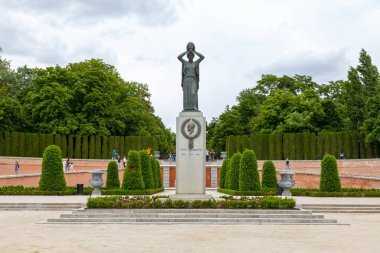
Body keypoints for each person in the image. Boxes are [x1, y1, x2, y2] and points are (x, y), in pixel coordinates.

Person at [177, 42, 205, 111]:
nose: (190, 56)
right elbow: (179, 57)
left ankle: (194, 107)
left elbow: (202, 57)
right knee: (186, 95)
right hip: (186, 80)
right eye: (189, 55)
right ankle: (186, 108)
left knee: (193, 93)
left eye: (192, 55)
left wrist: (194, 51)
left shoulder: (196, 62)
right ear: (187, 56)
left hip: (193, 79)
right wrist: (187, 51)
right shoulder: (185, 62)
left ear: (193, 56)